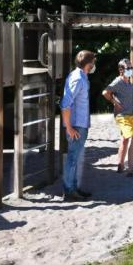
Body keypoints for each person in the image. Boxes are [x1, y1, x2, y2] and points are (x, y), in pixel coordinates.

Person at [61, 50, 95, 201]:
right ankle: (69, 190)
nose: (94, 65)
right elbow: (65, 104)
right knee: (73, 158)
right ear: (89, 64)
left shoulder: (81, 76)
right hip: (76, 126)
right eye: (93, 62)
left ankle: (73, 188)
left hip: (80, 124)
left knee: (75, 158)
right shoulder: (78, 78)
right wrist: (69, 127)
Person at [102, 58, 133, 177]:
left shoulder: (129, 82)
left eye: (131, 67)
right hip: (122, 115)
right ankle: (131, 170)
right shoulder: (118, 81)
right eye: (128, 68)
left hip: (130, 115)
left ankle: (120, 165)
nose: (130, 70)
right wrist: (114, 102)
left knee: (125, 139)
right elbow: (105, 92)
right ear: (121, 70)